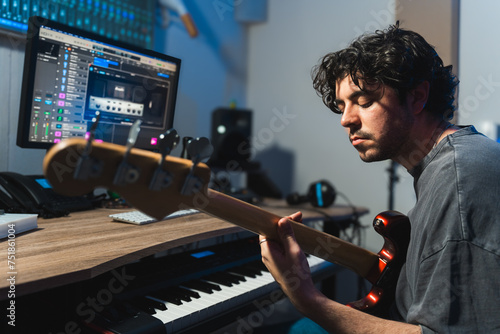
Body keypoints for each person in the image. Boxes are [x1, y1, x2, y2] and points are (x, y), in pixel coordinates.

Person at [259, 22, 500, 333]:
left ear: (417, 97)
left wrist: (305, 297)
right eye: (342, 106)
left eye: (364, 101)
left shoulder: (459, 177)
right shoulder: (445, 165)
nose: (346, 119)